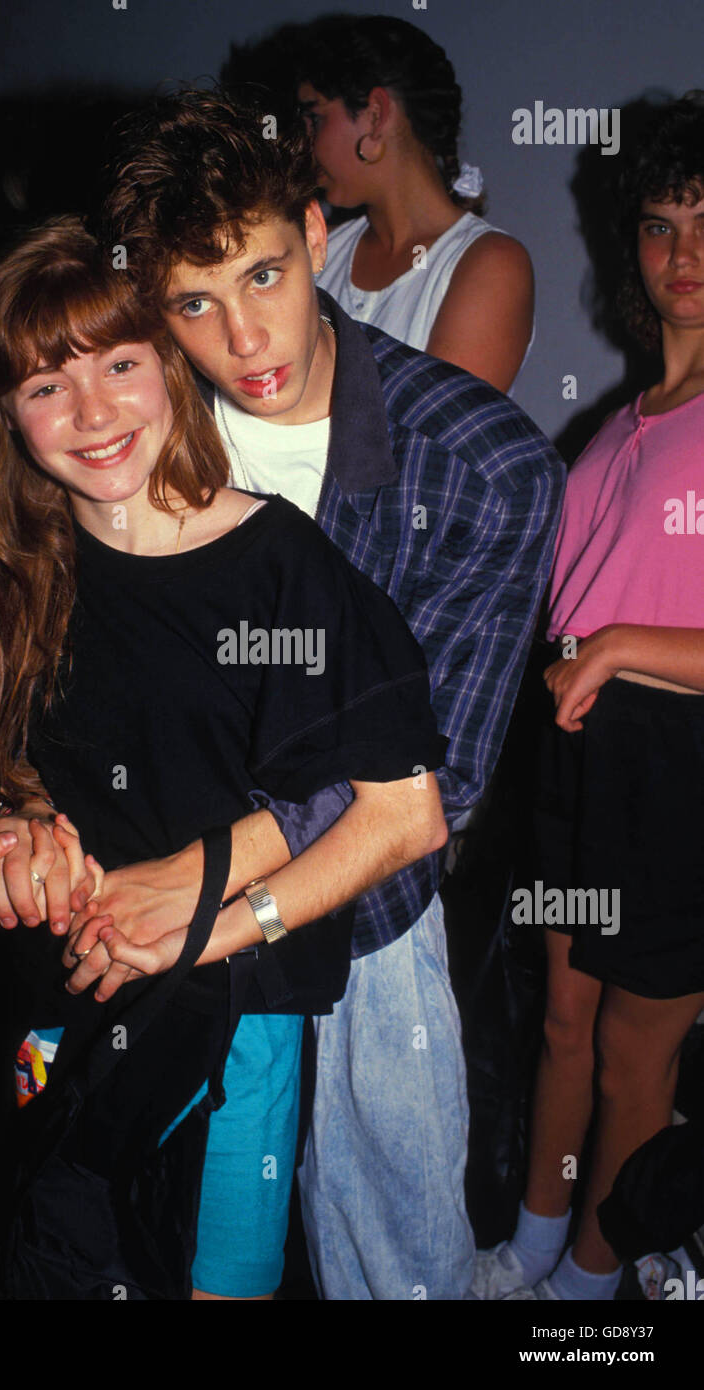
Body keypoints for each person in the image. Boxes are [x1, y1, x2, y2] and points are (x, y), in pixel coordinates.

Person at [57, 88, 565, 1301]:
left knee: (397, 1252)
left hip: (366, 909)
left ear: (318, 233)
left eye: (264, 275)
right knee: (143, 1220)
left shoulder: (487, 467)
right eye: (194, 300)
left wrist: (214, 886)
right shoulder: (133, 435)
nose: (245, 339)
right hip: (149, 868)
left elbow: (435, 780)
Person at [0, 214, 450, 1300]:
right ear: (5, 414)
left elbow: (407, 814)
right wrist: (5, 830)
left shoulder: (279, 568)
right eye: (46, 385)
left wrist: (218, 925)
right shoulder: (6, 570)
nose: (95, 411)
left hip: (229, 1030)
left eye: (120, 363)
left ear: (167, 367)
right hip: (61, 1004)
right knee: (49, 1261)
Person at [471, 94, 704, 1301]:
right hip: (584, 751)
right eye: (662, 226)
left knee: (632, 1053)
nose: (683, 256)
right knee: (560, 1022)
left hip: (682, 759)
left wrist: (614, 642)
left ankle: (593, 1285)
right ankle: (533, 1240)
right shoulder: (625, 421)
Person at [222, 15, 533, 392]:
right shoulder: (316, 248)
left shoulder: (492, 265)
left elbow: (436, 438)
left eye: (314, 117)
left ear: (374, 115)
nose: (302, 143)